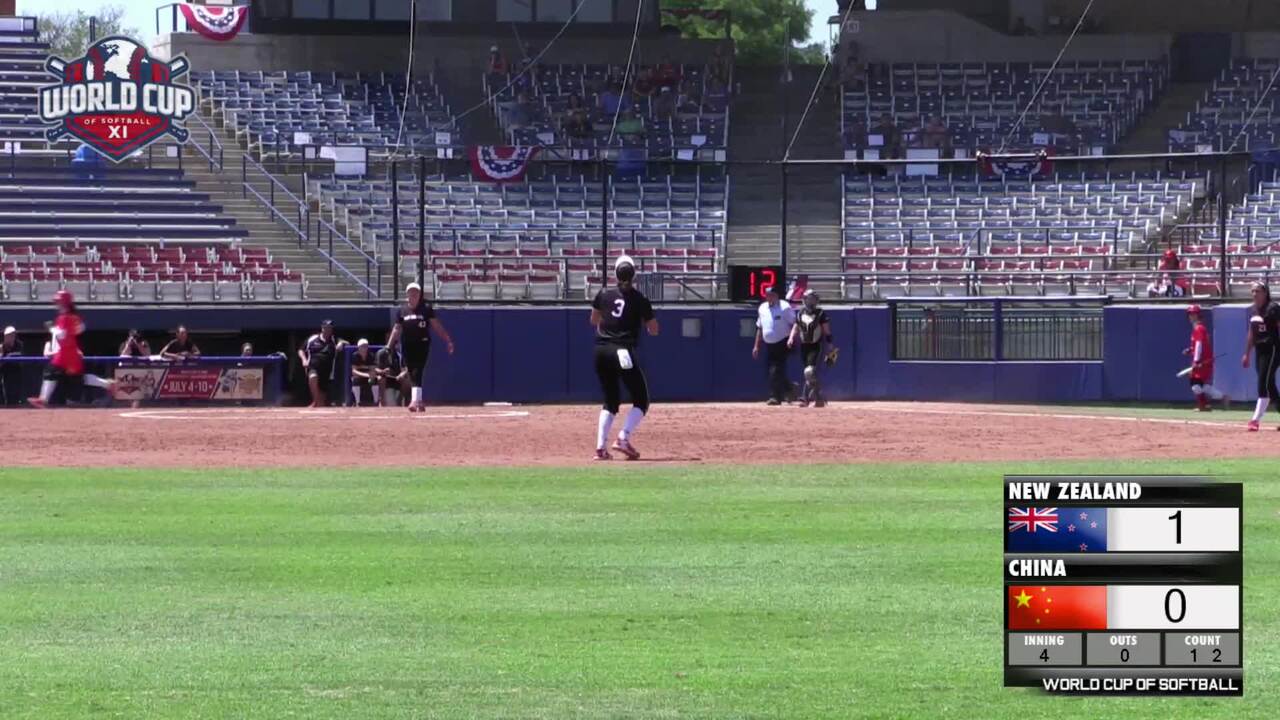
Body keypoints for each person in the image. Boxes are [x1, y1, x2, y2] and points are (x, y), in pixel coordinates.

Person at [590, 255, 658, 460]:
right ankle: (623, 437)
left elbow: (593, 320)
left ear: (615, 274)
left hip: (601, 350)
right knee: (641, 399)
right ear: (634, 275)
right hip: (622, 351)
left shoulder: (603, 293)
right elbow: (654, 329)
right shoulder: (639, 299)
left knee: (610, 401)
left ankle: (600, 448)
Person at [387, 282, 455, 412]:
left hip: (422, 343)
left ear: (419, 295)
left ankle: (414, 401)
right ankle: (419, 400)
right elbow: (396, 329)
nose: (413, 294)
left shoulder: (426, 309)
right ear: (407, 294)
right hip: (407, 344)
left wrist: (448, 340)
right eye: (411, 292)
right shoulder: (402, 311)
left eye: (416, 292)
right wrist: (389, 346)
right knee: (411, 371)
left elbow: (436, 326)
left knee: (417, 370)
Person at [28, 291, 88, 408]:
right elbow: (81, 328)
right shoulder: (73, 316)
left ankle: (44, 399)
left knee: (54, 373)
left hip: (66, 352)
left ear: (64, 302)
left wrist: (51, 328)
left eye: (59, 301)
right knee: (75, 378)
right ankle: (107, 384)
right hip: (69, 351)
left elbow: (62, 336)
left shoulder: (65, 317)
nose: (57, 304)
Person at [788, 290, 836, 408]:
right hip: (804, 346)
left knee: (809, 371)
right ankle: (819, 398)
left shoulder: (820, 313)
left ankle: (805, 398)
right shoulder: (800, 313)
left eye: (813, 299)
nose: (811, 302)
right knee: (809, 374)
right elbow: (796, 327)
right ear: (804, 300)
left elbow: (826, 330)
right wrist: (791, 338)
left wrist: (830, 344)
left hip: (816, 345)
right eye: (809, 299)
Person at [1243, 283, 1280, 431]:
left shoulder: (1273, 308)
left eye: (1257, 291)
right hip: (1260, 349)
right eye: (1252, 291)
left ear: (1265, 293)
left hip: (1272, 349)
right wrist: (1247, 353)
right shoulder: (1254, 310)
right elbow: (1252, 333)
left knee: (1263, 383)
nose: (1254, 294)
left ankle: (1255, 420)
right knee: (1269, 385)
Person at [753, 285, 797, 405]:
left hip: (783, 342)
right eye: (767, 295)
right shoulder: (762, 308)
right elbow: (760, 327)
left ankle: (775, 397)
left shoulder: (785, 307)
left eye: (772, 295)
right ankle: (789, 388)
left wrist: (791, 338)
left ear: (777, 296)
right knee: (774, 371)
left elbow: (795, 323)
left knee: (775, 370)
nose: (769, 297)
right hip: (769, 344)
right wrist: (756, 346)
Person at [1184, 305, 1228, 413]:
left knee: (1195, 384)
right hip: (1203, 360)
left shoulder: (1198, 328)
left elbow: (1199, 345)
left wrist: (1196, 361)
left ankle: (1204, 405)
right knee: (1201, 385)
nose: (1191, 316)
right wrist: (1190, 350)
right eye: (1190, 314)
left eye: (1193, 314)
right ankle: (1218, 399)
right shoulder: (1199, 328)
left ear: (1198, 315)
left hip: (1202, 361)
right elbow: (1198, 345)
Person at [299, 319, 347, 408]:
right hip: (313, 366)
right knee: (313, 377)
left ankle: (318, 404)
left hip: (327, 372)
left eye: (330, 328)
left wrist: (341, 343)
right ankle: (315, 401)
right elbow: (301, 350)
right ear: (322, 328)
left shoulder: (334, 339)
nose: (328, 330)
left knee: (321, 402)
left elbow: (347, 342)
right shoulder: (312, 339)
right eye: (326, 328)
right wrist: (304, 360)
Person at [375, 337, 411, 407]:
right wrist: (382, 371)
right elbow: (375, 369)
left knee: (407, 380)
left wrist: (402, 374)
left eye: (395, 343)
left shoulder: (399, 355)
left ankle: (402, 401)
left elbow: (405, 369)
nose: (394, 345)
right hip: (386, 380)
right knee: (380, 378)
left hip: (396, 379)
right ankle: (382, 401)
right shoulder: (381, 353)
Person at [350, 338, 377, 407]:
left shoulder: (371, 355)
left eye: (366, 346)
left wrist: (371, 376)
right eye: (362, 346)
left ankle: (376, 401)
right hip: (359, 376)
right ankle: (358, 402)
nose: (364, 348)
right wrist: (366, 375)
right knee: (355, 379)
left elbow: (372, 369)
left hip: (368, 377)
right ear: (358, 347)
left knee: (375, 380)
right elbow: (354, 371)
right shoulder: (355, 356)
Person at [1, 325, 23, 406]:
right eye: (9, 335)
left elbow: (20, 355)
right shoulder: (2, 346)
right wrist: (6, 357)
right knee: (6, 390)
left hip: (16, 370)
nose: (11, 336)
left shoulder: (19, 344)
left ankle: (15, 404)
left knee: (16, 390)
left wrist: (9, 356)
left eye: (13, 334)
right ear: (5, 336)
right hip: (5, 371)